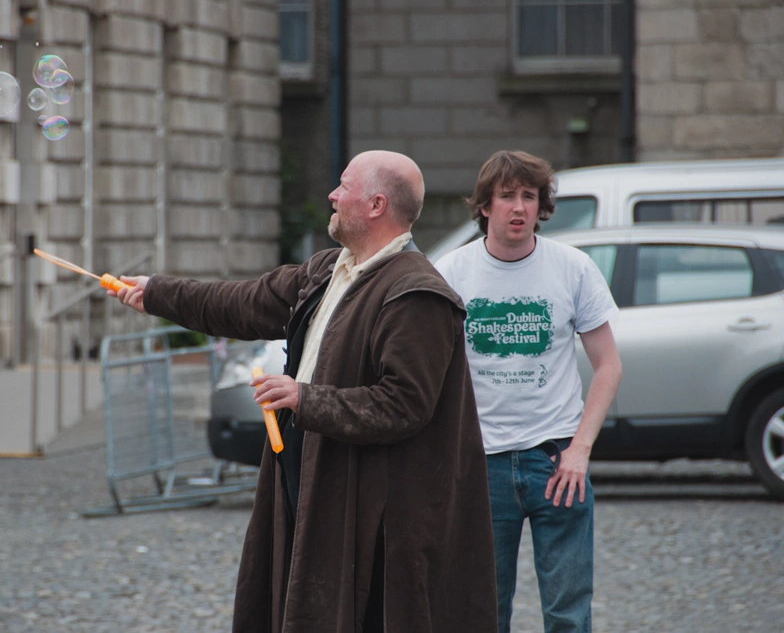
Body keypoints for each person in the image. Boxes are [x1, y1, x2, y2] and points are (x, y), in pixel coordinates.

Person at [112, 150, 497, 632]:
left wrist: (304, 397)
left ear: (376, 205)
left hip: (374, 508)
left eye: (343, 186)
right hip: (311, 476)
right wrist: (157, 293)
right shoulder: (327, 270)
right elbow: (242, 303)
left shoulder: (417, 294)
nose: (332, 196)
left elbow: (403, 406)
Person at [434, 150, 623, 633]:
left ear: (541, 206)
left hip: (557, 460)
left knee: (568, 613)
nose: (518, 207)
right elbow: (430, 370)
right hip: (481, 464)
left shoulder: (573, 268)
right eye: (506, 196)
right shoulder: (451, 273)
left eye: (528, 196)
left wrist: (580, 450)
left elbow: (608, 365)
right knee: (482, 612)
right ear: (484, 206)